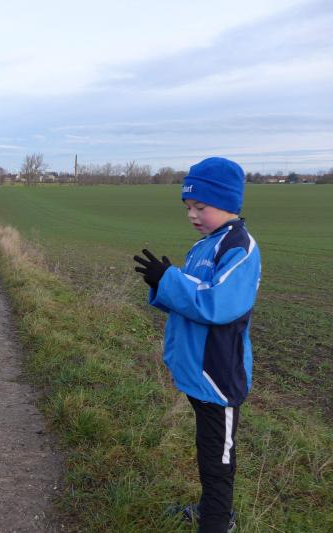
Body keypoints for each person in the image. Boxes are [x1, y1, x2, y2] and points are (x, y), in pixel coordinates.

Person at [133, 157, 261, 533]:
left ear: (227, 202)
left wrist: (170, 280)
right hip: (197, 373)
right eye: (188, 207)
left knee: (218, 460)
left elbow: (217, 303)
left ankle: (217, 522)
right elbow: (187, 298)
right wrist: (162, 283)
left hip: (219, 376)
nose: (192, 214)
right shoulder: (204, 245)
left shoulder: (239, 247)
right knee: (207, 450)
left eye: (200, 206)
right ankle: (209, 511)